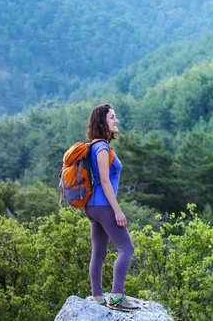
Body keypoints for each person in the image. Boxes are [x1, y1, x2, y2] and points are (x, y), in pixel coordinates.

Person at [85, 104, 139, 312]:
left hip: (93, 206)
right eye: (112, 117)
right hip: (103, 205)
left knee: (98, 253)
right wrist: (117, 210)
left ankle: (98, 298)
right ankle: (116, 296)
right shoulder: (101, 147)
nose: (116, 121)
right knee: (127, 248)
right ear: (102, 122)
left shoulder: (96, 146)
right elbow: (105, 182)